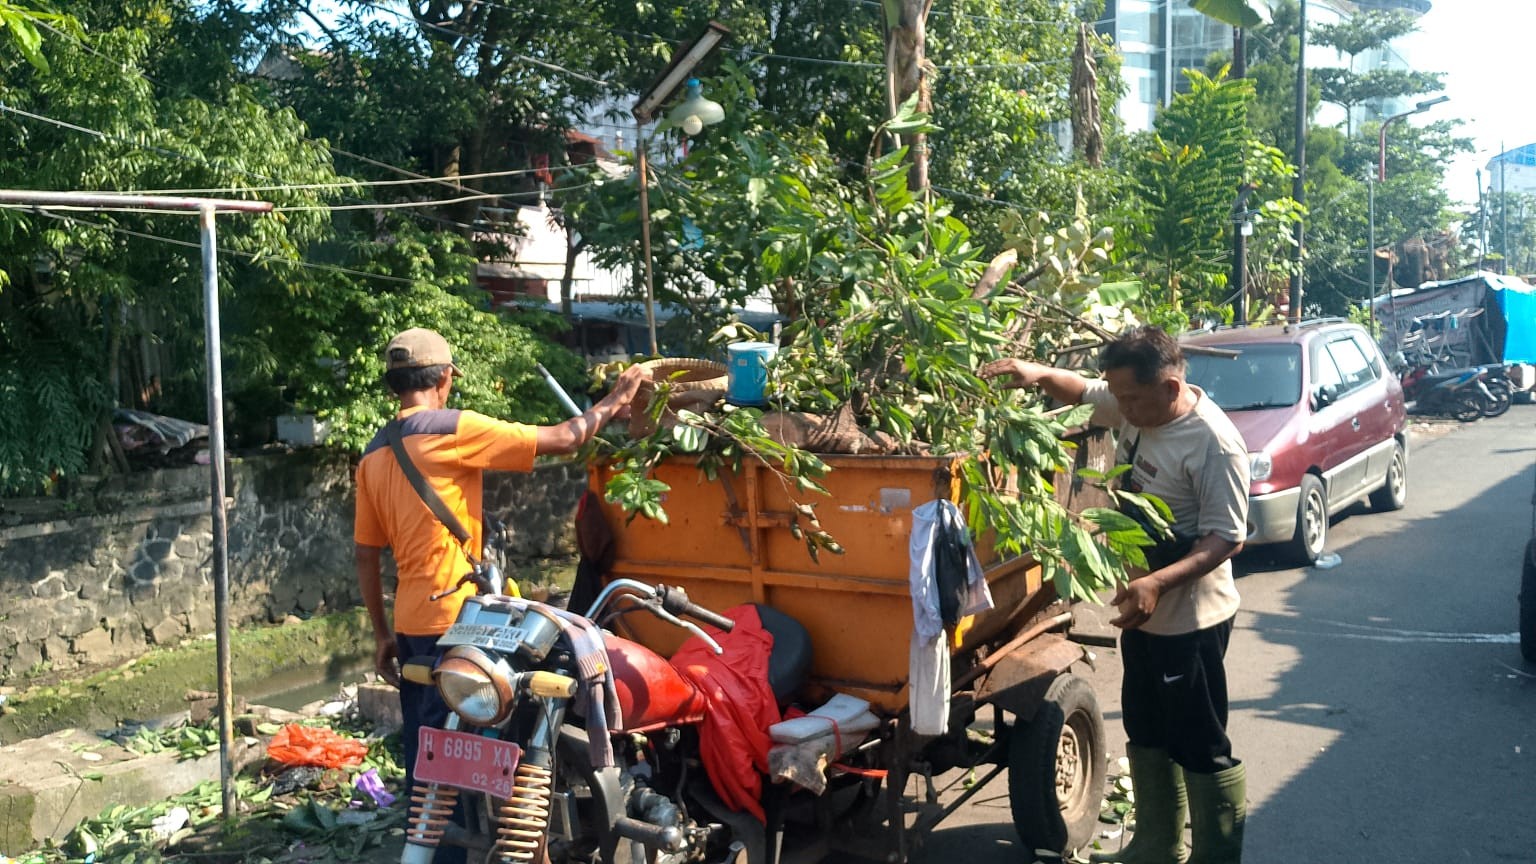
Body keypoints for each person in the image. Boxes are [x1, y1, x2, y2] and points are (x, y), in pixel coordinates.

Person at [981, 325, 1250, 864]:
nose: (1120, 407)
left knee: (1199, 742)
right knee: (1146, 728)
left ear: (1170, 388)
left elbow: (1228, 537)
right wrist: (1034, 374)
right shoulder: (1135, 403)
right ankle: (1157, 844)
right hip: (1144, 615)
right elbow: (1080, 390)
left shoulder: (1213, 443)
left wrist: (1156, 581)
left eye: (1129, 397)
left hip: (1191, 620)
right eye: (1119, 395)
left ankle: (1215, 857)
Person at [354, 327, 649, 800]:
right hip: (460, 628)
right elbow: (564, 438)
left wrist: (382, 634)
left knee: (425, 754)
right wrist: (615, 400)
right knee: (469, 762)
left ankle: (435, 843)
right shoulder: (451, 428)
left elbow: (366, 556)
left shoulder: (373, 454)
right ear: (445, 379)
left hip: (411, 626)